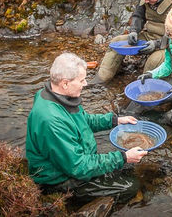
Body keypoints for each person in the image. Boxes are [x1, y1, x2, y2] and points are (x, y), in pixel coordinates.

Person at [26, 52, 147, 201]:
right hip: (59, 179)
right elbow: (78, 167)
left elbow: (83, 120)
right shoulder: (51, 120)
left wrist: (115, 120)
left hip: (74, 160)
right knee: (131, 186)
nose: (86, 84)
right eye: (82, 80)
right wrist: (123, 157)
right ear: (65, 83)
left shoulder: (58, 96)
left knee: (126, 164)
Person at [96, 0, 172, 83]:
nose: (146, 1)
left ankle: (144, 89)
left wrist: (157, 44)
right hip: (149, 36)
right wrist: (134, 31)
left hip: (171, 43)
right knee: (116, 42)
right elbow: (138, 15)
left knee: (153, 61)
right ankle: (102, 79)